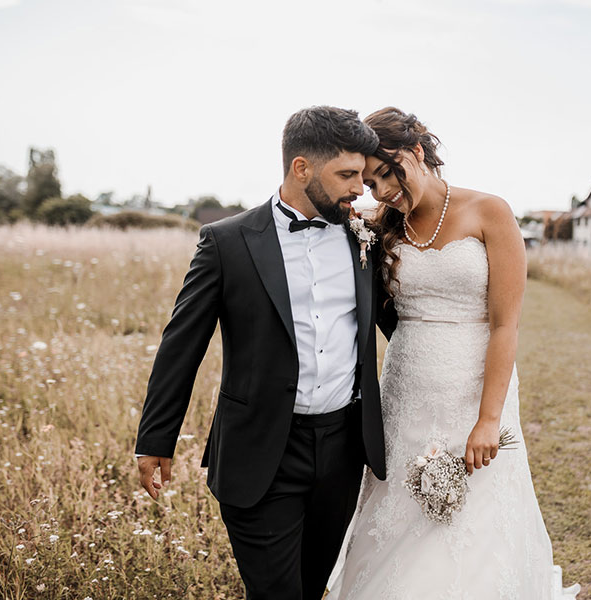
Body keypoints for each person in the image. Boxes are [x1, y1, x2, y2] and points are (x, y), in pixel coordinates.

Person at [134, 106, 397, 599]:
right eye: (346, 175)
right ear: (301, 169)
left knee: (313, 584)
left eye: (361, 175)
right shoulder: (227, 242)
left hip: (342, 449)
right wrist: (155, 439)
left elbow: (397, 325)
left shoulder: (364, 239)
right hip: (260, 451)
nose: (360, 188)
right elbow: (181, 344)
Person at [327, 107, 580, 599]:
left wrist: (488, 419)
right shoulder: (379, 229)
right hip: (406, 389)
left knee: (476, 520)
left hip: (476, 389)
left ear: (417, 152)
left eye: (387, 173)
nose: (382, 191)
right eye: (371, 183)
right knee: (400, 511)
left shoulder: (490, 211)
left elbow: (505, 325)